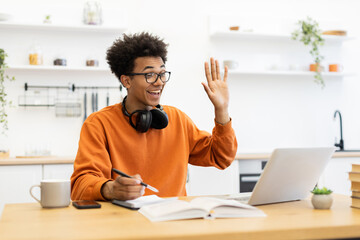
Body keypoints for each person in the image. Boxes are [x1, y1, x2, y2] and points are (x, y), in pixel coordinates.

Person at [70, 32, 237, 201]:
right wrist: (110, 189)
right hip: (123, 222)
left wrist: (221, 109)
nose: (159, 82)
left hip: (172, 220)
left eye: (162, 74)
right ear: (126, 81)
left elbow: (222, 157)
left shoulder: (178, 120)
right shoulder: (99, 124)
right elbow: (80, 186)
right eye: (149, 75)